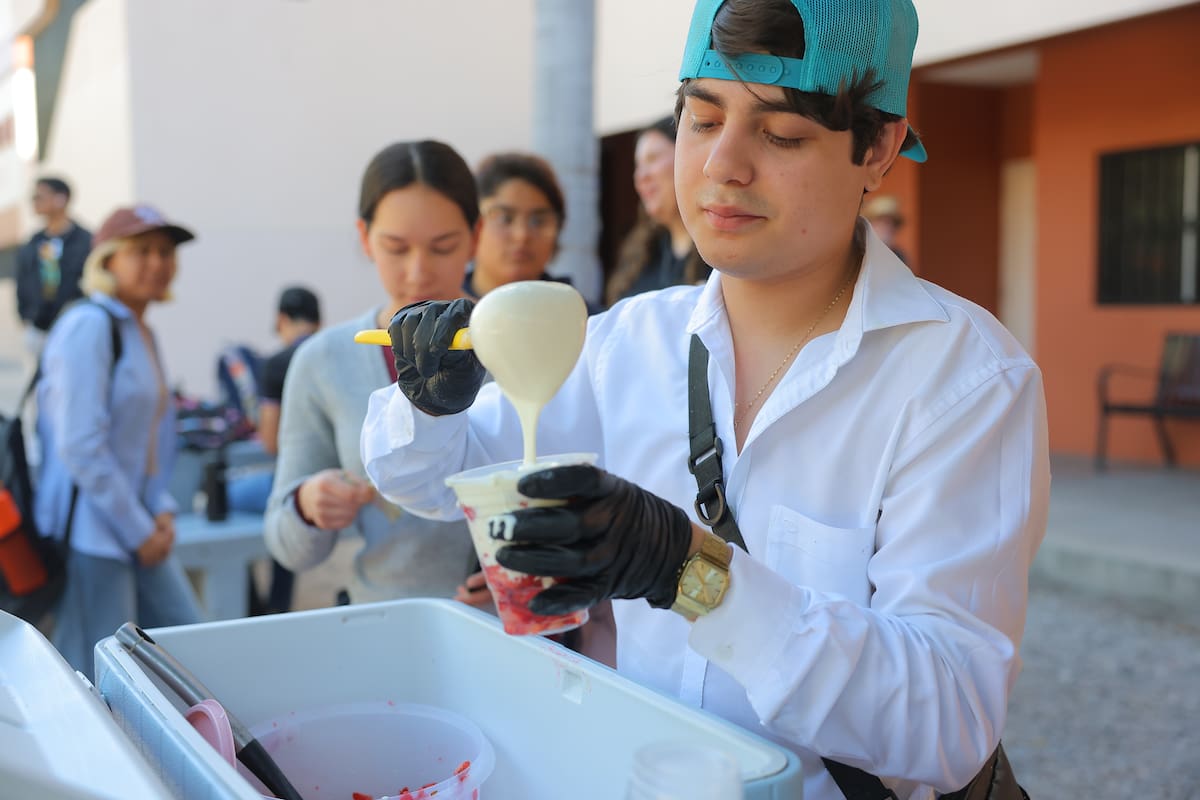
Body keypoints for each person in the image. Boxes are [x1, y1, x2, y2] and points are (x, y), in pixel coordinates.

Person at [361, 1, 1049, 799]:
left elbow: (947, 724)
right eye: (700, 117)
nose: (724, 164)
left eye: (781, 132)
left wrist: (691, 570)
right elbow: (435, 480)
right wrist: (429, 398)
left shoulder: (960, 380)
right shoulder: (625, 345)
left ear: (879, 146)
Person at [264, 141, 478, 605]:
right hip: (386, 624)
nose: (418, 273)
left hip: (515, 634)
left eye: (443, 247)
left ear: (475, 236)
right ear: (364, 238)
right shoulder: (324, 359)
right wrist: (309, 505)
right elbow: (284, 542)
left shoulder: (515, 344)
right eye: (395, 248)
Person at [35, 205, 202, 676]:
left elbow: (151, 440)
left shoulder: (139, 329)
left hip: (137, 524)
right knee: (101, 679)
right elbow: (81, 445)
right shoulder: (90, 325)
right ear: (107, 261)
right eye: (142, 251)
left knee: (186, 649)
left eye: (166, 252)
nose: (158, 262)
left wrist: (161, 508)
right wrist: (140, 529)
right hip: (94, 532)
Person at [227, 285, 321, 614]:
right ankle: (278, 604)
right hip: (339, 476)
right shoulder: (333, 353)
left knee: (220, 499)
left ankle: (254, 606)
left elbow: (270, 442)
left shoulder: (277, 363)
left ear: (281, 319)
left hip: (298, 481)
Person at [604, 116, 709, 307]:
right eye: (638, 166)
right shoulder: (641, 255)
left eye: (652, 159)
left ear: (685, 158)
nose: (640, 177)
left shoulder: (720, 257)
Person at [16, 177, 92, 358]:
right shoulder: (33, 243)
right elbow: (23, 280)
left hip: (75, 326)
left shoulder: (85, 241)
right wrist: (26, 316)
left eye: (40, 196)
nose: (34, 201)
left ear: (61, 199)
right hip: (38, 327)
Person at [862, 194, 910, 265]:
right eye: (883, 222)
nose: (888, 227)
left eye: (892, 223)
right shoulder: (861, 253)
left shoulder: (899, 256)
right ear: (870, 224)